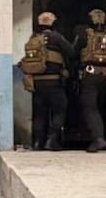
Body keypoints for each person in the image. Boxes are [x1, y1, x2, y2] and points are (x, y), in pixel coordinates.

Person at [19, 12, 74, 151]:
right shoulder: (56, 37)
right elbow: (71, 52)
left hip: (37, 83)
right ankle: (52, 139)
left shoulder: (33, 38)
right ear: (52, 23)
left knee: (39, 114)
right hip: (54, 82)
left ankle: (38, 142)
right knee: (60, 110)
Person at [74, 8, 106, 153]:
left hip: (90, 75)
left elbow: (73, 53)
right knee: (103, 107)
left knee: (89, 107)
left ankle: (98, 139)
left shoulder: (84, 35)